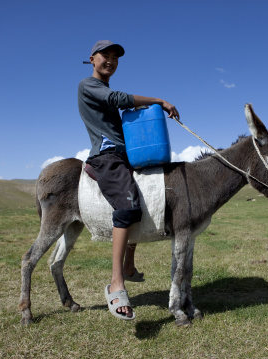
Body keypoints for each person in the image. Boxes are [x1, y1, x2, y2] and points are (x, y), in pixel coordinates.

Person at [78, 40, 179, 320]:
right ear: (92, 59)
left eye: (115, 57)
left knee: (143, 199)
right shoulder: (88, 85)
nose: (110, 61)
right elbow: (118, 100)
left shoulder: (104, 87)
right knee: (127, 207)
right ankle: (116, 282)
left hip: (125, 154)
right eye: (105, 56)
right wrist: (159, 101)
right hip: (107, 155)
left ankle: (129, 266)